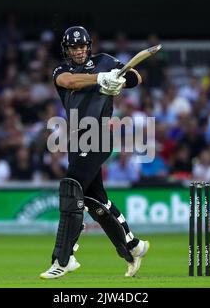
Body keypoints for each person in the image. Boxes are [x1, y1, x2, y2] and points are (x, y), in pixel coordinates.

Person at [40, 26, 149, 279]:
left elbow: (136, 77)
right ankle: (131, 246)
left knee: (72, 186)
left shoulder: (106, 61)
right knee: (95, 200)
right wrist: (101, 79)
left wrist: (120, 80)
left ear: (89, 46)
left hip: (98, 135)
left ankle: (63, 257)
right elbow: (69, 82)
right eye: (73, 47)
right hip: (76, 139)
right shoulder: (62, 70)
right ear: (66, 50)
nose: (78, 51)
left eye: (81, 46)